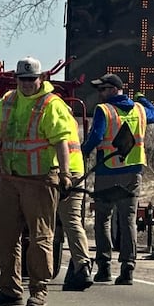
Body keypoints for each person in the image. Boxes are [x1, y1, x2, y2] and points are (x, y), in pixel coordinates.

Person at [0, 56, 77, 306]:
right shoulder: (8, 101)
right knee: (5, 236)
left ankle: (39, 289)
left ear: (41, 78)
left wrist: (65, 174)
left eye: (31, 79)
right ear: (16, 79)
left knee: (40, 236)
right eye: (22, 79)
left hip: (40, 180)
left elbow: (61, 141)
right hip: (9, 179)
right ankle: (10, 290)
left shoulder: (50, 104)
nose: (27, 84)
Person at [81, 73, 154, 285]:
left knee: (103, 219)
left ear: (115, 89)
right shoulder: (140, 110)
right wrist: (142, 98)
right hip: (132, 173)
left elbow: (96, 136)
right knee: (128, 219)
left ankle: (104, 267)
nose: (100, 94)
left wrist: (83, 152)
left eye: (103, 89)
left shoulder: (103, 110)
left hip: (107, 171)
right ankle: (128, 268)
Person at [54, 112, 94, 291]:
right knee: (72, 220)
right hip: (76, 171)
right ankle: (82, 265)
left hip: (54, 173)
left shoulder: (47, 114)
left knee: (43, 222)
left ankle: (42, 270)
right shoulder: (68, 117)